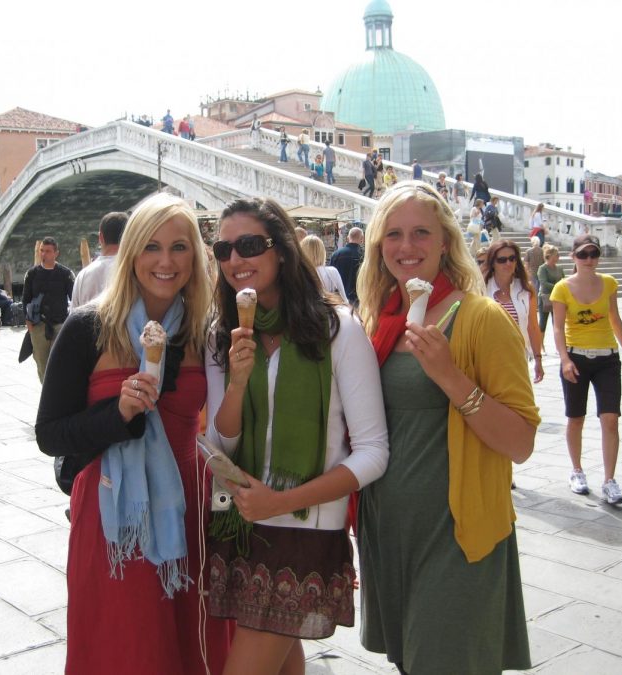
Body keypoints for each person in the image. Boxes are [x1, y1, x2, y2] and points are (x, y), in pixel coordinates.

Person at [35, 193, 231, 674]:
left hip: (189, 507)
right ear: (131, 253)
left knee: (193, 645)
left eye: (180, 247)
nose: (166, 261)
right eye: (152, 247)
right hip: (114, 513)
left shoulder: (204, 331)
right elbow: (50, 434)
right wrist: (117, 413)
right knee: (125, 647)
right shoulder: (89, 327)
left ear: (196, 257)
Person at [356, 181, 539, 675]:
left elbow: (521, 442)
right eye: (393, 234)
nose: (407, 247)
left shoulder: (481, 318)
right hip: (389, 531)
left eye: (421, 233)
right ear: (379, 246)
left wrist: (450, 378)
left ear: (445, 243)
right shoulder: (377, 322)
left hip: (456, 532)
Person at [205, 197, 388, 675]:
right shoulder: (220, 334)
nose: (235, 261)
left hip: (305, 533)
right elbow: (219, 443)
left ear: (281, 250)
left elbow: (373, 453)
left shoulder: (337, 330)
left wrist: (280, 502)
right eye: (223, 250)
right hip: (242, 526)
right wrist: (238, 381)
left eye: (248, 245)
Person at [551, 234, 622, 505]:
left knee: (610, 418)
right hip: (576, 357)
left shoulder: (609, 283)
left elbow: (614, 317)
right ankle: (577, 471)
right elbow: (557, 326)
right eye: (583, 254)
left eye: (593, 254)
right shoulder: (562, 288)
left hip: (607, 358)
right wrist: (564, 359)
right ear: (573, 257)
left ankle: (610, 480)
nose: (589, 260)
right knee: (576, 418)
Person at [484, 240, 545, 383]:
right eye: (502, 260)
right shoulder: (481, 288)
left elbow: (533, 326)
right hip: (488, 358)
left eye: (512, 258)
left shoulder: (526, 289)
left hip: (518, 356)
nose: (508, 263)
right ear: (493, 263)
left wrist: (538, 359)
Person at [22, 237, 74, 383]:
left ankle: (57, 393)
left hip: (59, 324)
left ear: (56, 253)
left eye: (48, 251)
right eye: (42, 251)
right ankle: (46, 394)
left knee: (59, 362)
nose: (44, 254)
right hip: (38, 325)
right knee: (42, 363)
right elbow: (26, 299)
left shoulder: (65, 274)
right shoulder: (32, 274)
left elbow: (74, 299)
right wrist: (28, 322)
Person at [71, 211, 127, 309]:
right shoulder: (137, 272)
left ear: (100, 237)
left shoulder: (83, 276)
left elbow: (72, 317)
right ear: (128, 236)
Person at [301, 234, 348, 299]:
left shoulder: (297, 274)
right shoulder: (332, 272)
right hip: (330, 308)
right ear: (322, 252)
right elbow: (344, 299)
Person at [330, 226, 364, 305]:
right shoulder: (365, 256)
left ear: (348, 238)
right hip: (359, 299)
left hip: (339, 300)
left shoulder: (336, 255)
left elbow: (331, 278)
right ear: (362, 239)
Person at [537, 244, 564, 343]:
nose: (558, 257)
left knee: (557, 323)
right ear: (550, 255)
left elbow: (563, 280)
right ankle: (540, 345)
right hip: (545, 298)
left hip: (557, 298)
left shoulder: (560, 268)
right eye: (556, 255)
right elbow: (543, 282)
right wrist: (558, 287)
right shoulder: (542, 268)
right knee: (543, 322)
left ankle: (558, 345)